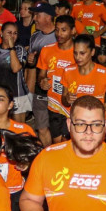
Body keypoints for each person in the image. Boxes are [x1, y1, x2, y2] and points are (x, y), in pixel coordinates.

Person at [60, 35, 106, 138]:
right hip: (75, 122)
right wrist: (67, 99)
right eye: (75, 53)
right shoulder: (68, 71)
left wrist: (105, 106)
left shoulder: (104, 73)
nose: (78, 57)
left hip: (97, 123)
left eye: (82, 53)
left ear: (92, 52)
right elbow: (64, 99)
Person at [36, 15, 77, 144]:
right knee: (58, 142)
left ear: (73, 31)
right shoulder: (47, 50)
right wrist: (42, 81)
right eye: (57, 29)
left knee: (67, 141)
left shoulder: (80, 52)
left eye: (64, 30)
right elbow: (41, 74)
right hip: (54, 106)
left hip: (73, 106)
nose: (59, 34)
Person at [26, 2, 58, 147]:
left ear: (48, 17)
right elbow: (32, 67)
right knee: (42, 128)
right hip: (40, 89)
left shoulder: (60, 36)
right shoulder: (35, 37)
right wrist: (30, 60)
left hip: (58, 90)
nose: (34, 19)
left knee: (58, 130)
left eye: (37, 15)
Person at [0, 22, 29, 123]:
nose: (12, 36)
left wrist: (11, 48)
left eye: (15, 33)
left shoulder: (20, 50)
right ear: (1, 33)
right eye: (9, 33)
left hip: (17, 96)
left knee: (18, 130)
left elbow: (16, 68)